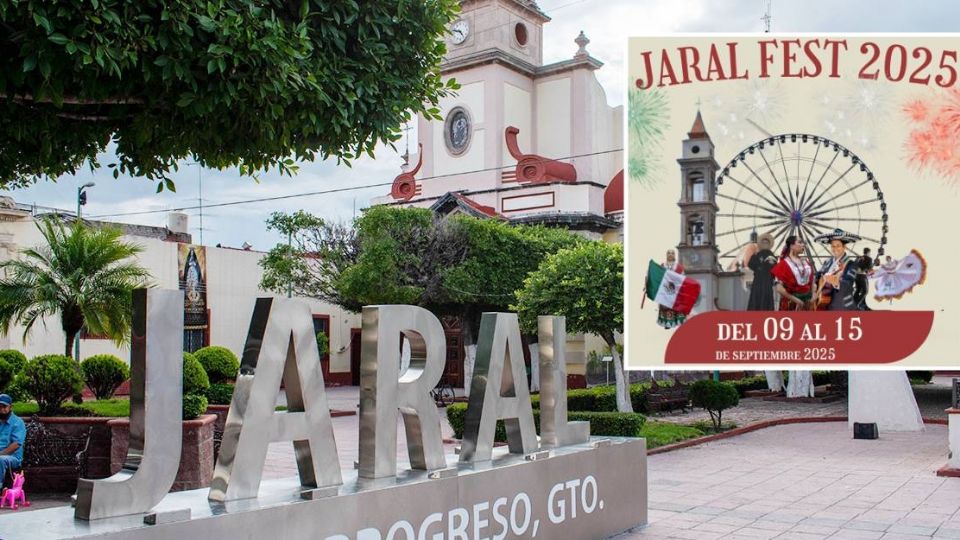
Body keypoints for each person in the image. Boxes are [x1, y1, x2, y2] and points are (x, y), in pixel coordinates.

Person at [814, 228, 861, 311]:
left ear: (844, 247)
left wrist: (837, 283)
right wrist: (815, 287)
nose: (835, 248)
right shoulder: (827, 262)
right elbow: (818, 276)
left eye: (838, 246)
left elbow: (848, 284)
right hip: (824, 304)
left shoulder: (851, 264)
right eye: (833, 246)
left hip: (842, 306)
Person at [771, 236, 815, 311]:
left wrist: (813, 296)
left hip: (807, 303)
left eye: (803, 243)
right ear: (791, 246)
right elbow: (779, 288)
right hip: (791, 304)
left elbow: (812, 282)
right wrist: (797, 301)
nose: (803, 245)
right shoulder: (783, 264)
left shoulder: (806, 262)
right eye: (800, 242)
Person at [656, 249, 687, 328]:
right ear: (666, 255)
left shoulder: (679, 267)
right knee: (665, 307)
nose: (670, 255)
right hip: (665, 290)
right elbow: (658, 277)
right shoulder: (662, 265)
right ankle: (667, 323)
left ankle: (678, 322)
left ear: (674, 255)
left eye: (672, 253)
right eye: (669, 253)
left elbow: (682, 278)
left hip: (675, 290)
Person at [747, 233, 777, 310]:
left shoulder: (772, 255)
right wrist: (758, 266)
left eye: (766, 242)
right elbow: (750, 264)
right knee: (756, 297)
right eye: (763, 242)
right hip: (758, 280)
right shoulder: (757, 254)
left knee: (766, 298)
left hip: (767, 280)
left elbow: (774, 267)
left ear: (769, 244)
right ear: (761, 244)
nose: (765, 244)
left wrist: (763, 267)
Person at [0, 394, 25, 484]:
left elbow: (16, 445)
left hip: (12, 457)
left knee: (0, 460)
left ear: (11, 407)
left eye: (4, 406)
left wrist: (0, 454)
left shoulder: (17, 422)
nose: (1, 410)